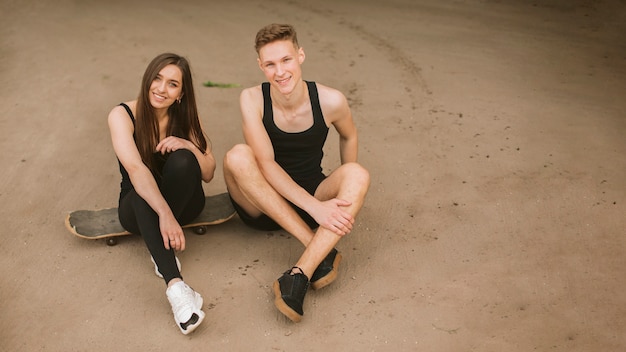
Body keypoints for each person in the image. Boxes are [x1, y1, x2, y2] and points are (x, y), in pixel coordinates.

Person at [223, 24, 370, 323]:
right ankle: (319, 249)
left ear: (300, 55)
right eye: (270, 64)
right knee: (237, 155)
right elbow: (265, 165)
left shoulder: (331, 101)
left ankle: (298, 274)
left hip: (312, 194)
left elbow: (349, 135)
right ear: (261, 66)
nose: (280, 72)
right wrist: (316, 209)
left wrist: (342, 194)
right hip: (261, 203)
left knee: (357, 174)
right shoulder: (252, 99)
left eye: (286, 60)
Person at [108, 53, 215, 334]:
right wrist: (165, 215)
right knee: (143, 191)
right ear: (147, 79)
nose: (161, 88)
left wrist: (188, 145)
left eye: (172, 84)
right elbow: (136, 169)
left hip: (188, 205)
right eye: (157, 78)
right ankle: (176, 287)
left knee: (184, 159)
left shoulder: (186, 117)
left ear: (181, 93)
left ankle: (159, 250)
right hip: (137, 207)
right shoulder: (122, 115)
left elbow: (208, 172)